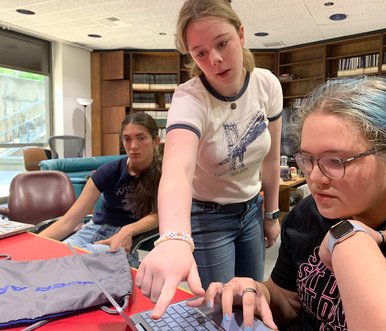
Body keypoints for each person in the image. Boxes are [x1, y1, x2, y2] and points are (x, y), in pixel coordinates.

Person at [192, 76, 386, 331]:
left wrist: (348, 240)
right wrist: (256, 294)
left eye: (336, 161)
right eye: (308, 159)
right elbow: (289, 300)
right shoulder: (308, 212)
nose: (314, 178)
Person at [136, 0, 283, 316]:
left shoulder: (267, 84)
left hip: (251, 211)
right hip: (208, 216)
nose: (214, 59)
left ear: (241, 35)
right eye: (200, 52)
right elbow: (177, 171)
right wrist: (174, 237)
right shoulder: (190, 99)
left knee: (250, 296)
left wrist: (272, 213)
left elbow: (271, 160)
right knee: (219, 308)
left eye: (222, 43)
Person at [39, 112, 161, 268]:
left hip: (128, 234)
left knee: (91, 260)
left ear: (155, 141)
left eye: (141, 138)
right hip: (95, 228)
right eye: (127, 139)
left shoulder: (164, 173)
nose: (133, 146)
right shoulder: (109, 171)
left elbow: (159, 215)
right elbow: (69, 221)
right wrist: (35, 245)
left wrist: (127, 230)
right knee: (61, 254)